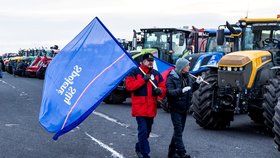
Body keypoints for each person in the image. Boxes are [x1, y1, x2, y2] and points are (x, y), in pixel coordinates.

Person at [126, 53, 166, 158]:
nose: (150, 62)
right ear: (142, 62)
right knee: (143, 130)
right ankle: (145, 153)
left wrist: (160, 91)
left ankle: (139, 147)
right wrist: (142, 80)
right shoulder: (134, 72)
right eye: (148, 61)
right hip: (140, 108)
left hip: (151, 108)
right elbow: (129, 86)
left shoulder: (156, 74)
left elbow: (163, 88)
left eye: (152, 61)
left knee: (147, 131)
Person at [166, 58, 202, 158]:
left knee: (179, 131)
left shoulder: (188, 77)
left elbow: (190, 90)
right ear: (182, 67)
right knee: (178, 131)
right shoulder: (172, 77)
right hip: (175, 108)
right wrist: (181, 91)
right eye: (187, 66)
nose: (189, 67)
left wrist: (197, 84)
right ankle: (182, 153)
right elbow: (169, 92)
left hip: (184, 108)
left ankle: (171, 153)